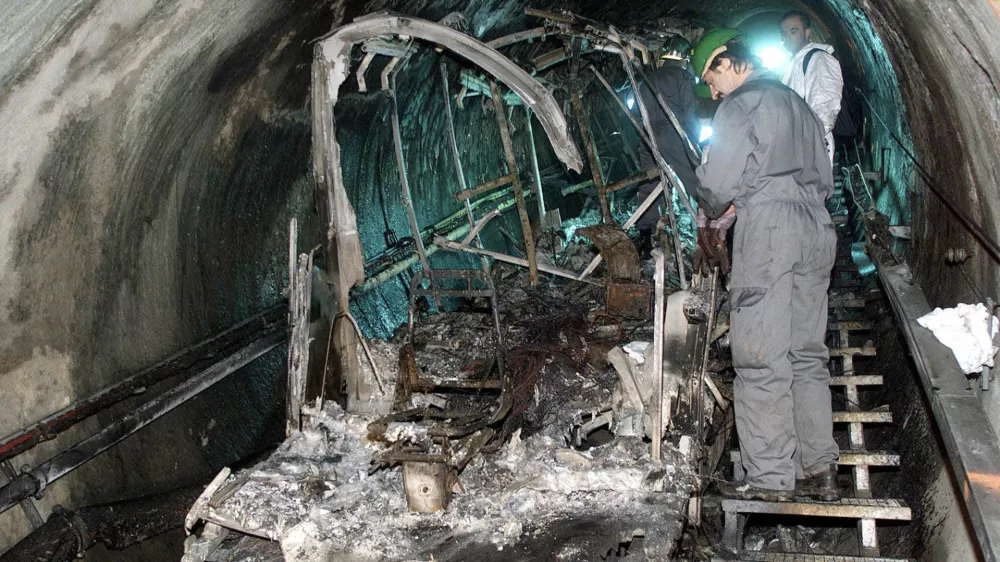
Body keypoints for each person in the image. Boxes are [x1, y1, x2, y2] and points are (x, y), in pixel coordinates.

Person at [691, 28, 840, 502]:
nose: (712, 91)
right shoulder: (799, 106)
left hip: (772, 232)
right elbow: (819, 176)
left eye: (711, 77)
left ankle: (772, 475)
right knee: (807, 355)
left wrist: (711, 206)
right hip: (819, 228)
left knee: (760, 355)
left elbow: (717, 184)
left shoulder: (741, 105)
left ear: (730, 59)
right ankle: (821, 467)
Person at [633, 36, 701, 257]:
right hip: (675, 134)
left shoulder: (646, 79)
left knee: (650, 182)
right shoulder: (683, 77)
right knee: (697, 181)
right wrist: (695, 141)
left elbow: (636, 114)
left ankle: (644, 236)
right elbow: (691, 112)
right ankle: (714, 229)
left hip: (649, 137)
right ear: (685, 57)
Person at [780, 11, 843, 166]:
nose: (786, 37)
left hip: (810, 148)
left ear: (807, 33)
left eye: (793, 31)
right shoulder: (794, 62)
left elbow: (825, 108)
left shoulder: (819, 59)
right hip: (795, 146)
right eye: (783, 33)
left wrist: (807, 145)